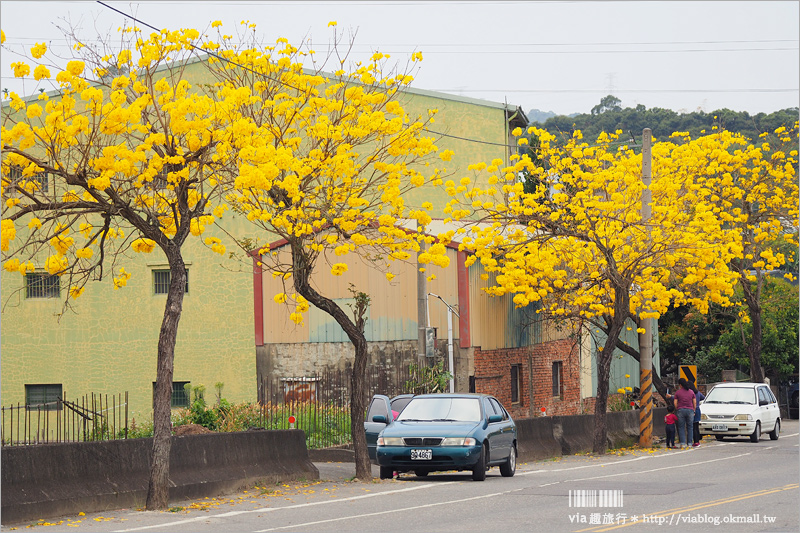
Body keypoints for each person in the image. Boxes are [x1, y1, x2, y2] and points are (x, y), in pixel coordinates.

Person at [673, 378, 696, 449]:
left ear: (680, 385)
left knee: (681, 427)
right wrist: (694, 410)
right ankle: (689, 443)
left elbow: (675, 403)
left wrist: (678, 408)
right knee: (690, 427)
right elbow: (694, 402)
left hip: (681, 410)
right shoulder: (691, 392)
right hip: (690, 410)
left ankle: (682, 443)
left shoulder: (678, 392)